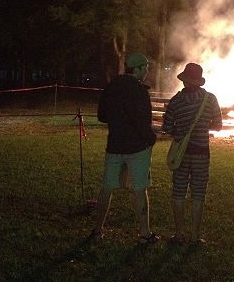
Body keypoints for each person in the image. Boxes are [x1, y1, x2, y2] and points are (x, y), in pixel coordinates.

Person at [91, 52, 159, 245]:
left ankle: (97, 230)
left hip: (114, 145)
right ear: (136, 69)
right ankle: (145, 233)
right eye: (145, 67)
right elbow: (143, 122)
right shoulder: (139, 91)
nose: (147, 71)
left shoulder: (112, 86)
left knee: (107, 188)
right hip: (137, 148)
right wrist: (151, 138)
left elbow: (102, 116)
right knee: (139, 189)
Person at [161, 62, 222, 247]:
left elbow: (167, 127)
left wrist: (181, 131)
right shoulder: (210, 99)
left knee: (178, 193)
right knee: (198, 194)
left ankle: (179, 234)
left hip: (180, 153)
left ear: (184, 80)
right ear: (199, 81)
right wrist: (203, 127)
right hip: (202, 153)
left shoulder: (175, 101)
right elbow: (218, 125)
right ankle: (195, 236)